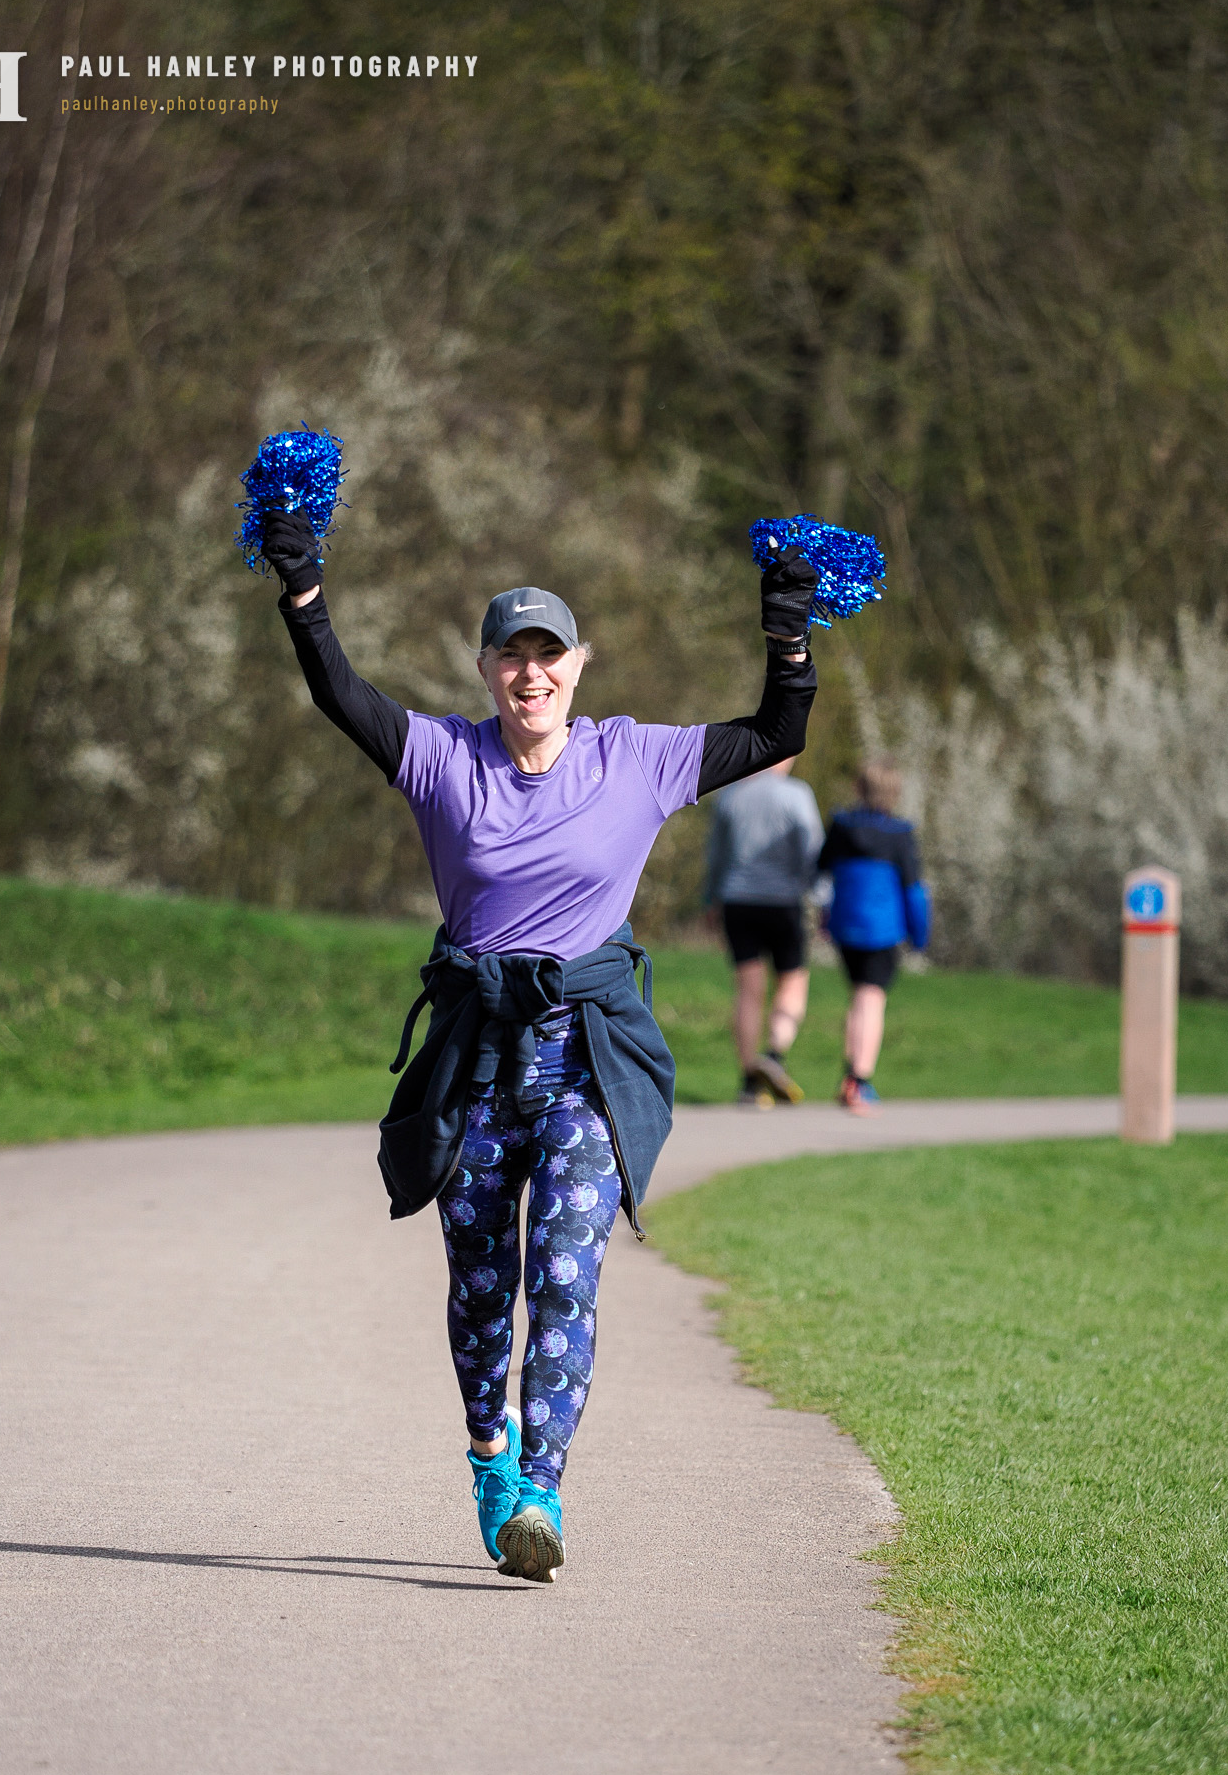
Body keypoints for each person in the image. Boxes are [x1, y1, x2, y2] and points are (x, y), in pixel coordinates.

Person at [259, 507, 819, 1582]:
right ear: (485, 669)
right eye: (512, 655)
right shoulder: (442, 759)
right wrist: (304, 595)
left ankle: (542, 1495)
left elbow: (773, 732)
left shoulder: (635, 759)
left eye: (548, 654)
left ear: (578, 665)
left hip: (583, 1063)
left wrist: (788, 634)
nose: (531, 673)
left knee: (564, 1272)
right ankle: (491, 1455)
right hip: (476, 1061)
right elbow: (341, 695)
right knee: (482, 1288)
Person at [705, 758, 824, 1106]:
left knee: (748, 989)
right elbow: (811, 850)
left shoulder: (730, 794)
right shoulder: (797, 794)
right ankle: (773, 1055)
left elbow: (716, 855)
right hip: (783, 902)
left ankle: (749, 1083)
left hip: (736, 901)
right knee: (793, 981)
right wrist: (820, 897)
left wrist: (710, 900)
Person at [818, 758, 929, 1113]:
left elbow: (821, 873)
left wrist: (824, 918)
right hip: (883, 931)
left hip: (845, 927)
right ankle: (860, 1081)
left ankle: (849, 1077)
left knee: (858, 997)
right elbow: (914, 891)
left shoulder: (841, 826)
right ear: (894, 792)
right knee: (872, 999)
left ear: (859, 788)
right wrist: (920, 935)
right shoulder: (900, 834)